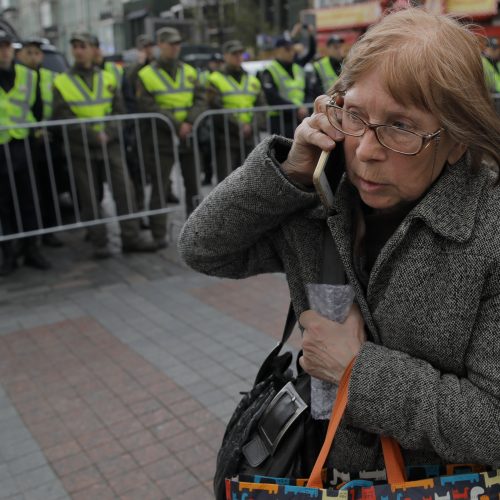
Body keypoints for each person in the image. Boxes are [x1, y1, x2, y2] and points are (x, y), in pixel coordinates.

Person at [179, 8, 500, 474]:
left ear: (455, 139)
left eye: (402, 126)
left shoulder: (488, 231)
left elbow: (492, 424)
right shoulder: (317, 203)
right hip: (322, 468)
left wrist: (357, 370)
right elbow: (204, 247)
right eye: (354, 115)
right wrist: (288, 170)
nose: (367, 151)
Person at [52, 32, 157, 258]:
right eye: (75, 47)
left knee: (124, 191)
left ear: (93, 49)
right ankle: (100, 242)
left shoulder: (107, 77)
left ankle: (131, 237)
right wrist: (93, 136)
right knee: (89, 197)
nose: (78, 51)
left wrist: (108, 133)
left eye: (83, 46)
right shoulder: (62, 81)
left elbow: (119, 111)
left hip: (110, 146)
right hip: (81, 148)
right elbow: (63, 118)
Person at [136, 26, 206, 246]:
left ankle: (195, 231)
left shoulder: (189, 71)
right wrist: (176, 124)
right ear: (160, 45)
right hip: (160, 137)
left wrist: (189, 122)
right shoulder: (145, 74)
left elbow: (201, 99)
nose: (176, 48)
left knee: (193, 184)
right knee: (159, 185)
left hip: (188, 135)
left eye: (178, 43)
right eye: (171, 43)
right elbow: (147, 104)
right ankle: (158, 235)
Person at [0, 29, 52, 276]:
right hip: (1, 149)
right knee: (3, 204)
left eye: (8, 46)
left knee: (29, 199)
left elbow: (38, 108)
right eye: (1, 47)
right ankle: (8, 252)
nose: (4, 51)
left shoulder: (27, 76)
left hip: (23, 145)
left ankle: (32, 248)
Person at [17, 36, 65, 248]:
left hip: (48, 141)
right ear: (20, 55)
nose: (33, 57)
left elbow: (57, 106)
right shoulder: (17, 77)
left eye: (36, 53)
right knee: (28, 193)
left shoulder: (50, 77)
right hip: (22, 142)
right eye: (28, 52)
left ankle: (50, 231)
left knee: (49, 189)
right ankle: (28, 238)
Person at [206, 40, 266, 183]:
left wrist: (252, 126)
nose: (239, 57)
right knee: (226, 181)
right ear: (225, 56)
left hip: (249, 136)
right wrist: (239, 126)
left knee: (250, 179)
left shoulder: (252, 80)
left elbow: (262, 107)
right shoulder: (214, 79)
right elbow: (216, 108)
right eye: (234, 54)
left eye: (241, 53)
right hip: (226, 136)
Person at [260, 35, 311, 138]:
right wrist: (296, 109)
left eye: (293, 49)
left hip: (300, 118)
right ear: (277, 51)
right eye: (287, 49)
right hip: (280, 120)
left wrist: (305, 106)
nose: (291, 52)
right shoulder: (269, 70)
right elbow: (271, 97)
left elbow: (308, 91)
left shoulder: (299, 69)